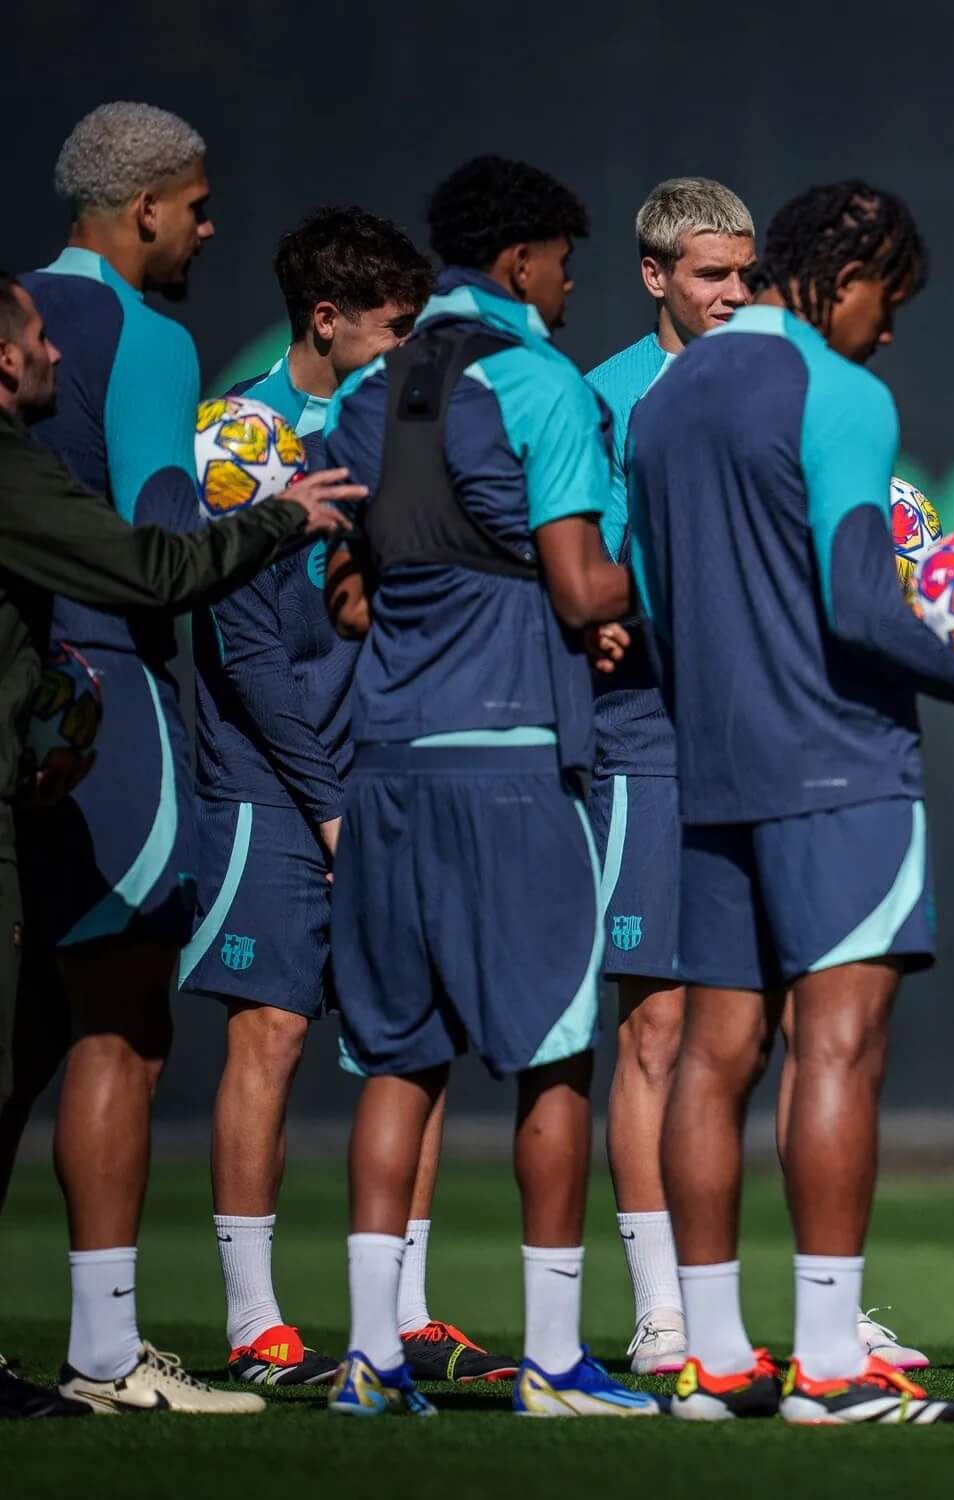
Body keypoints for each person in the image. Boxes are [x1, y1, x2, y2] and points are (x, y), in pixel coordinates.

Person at [638, 181, 954, 1423]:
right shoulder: (844, 393)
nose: (891, 327)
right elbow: (862, 606)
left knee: (712, 1059)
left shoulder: (661, 398)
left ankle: (711, 1363)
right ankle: (830, 1366)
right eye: (889, 297)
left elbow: (647, 605)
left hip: (706, 771)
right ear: (844, 275)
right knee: (839, 1050)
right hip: (836, 763)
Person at [17, 100, 354, 1416]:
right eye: (199, 205)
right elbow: (163, 533)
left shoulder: (14, 316)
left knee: (23, 1030)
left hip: (14, 693)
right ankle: (106, 1352)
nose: (212, 227)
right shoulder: (143, 335)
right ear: (144, 207)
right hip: (103, 696)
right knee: (123, 1026)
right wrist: (277, 519)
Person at [318, 155, 654, 1419]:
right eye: (564, 264)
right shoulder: (543, 385)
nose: (570, 288)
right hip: (514, 766)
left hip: (388, 759)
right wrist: (673, 571)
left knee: (397, 1063)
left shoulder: (365, 391)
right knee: (557, 1058)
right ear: (519, 265)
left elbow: (349, 592)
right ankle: (557, 1364)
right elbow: (581, 586)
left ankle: (367, 1357)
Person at [181, 204, 503, 1388]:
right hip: (271, 786)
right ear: (327, 319)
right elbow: (248, 654)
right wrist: (324, 805)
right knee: (269, 1034)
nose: (411, 345)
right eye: (394, 325)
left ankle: (406, 1315)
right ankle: (255, 1323)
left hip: (392, 779)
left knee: (406, 1044)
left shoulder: (399, 431)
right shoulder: (239, 439)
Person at [582, 176, 752, 1378]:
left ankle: (768, 1298)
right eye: (710, 276)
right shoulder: (599, 401)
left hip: (758, 744)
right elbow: (585, 576)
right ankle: (662, 1310)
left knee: (753, 1033)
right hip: (642, 739)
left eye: (746, 275)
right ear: (655, 278)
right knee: (654, 1033)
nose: (735, 295)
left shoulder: (774, 385)